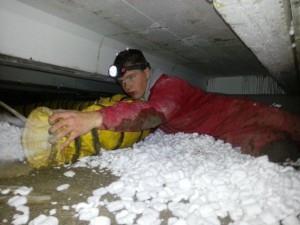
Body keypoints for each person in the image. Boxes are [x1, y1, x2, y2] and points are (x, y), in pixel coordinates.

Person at [49, 49, 300, 162]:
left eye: (131, 77)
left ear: (147, 72)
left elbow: (152, 114)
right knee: (281, 156)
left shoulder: (170, 87)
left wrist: (94, 119)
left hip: (249, 114)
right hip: (232, 134)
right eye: (122, 81)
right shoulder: (148, 96)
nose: (126, 85)